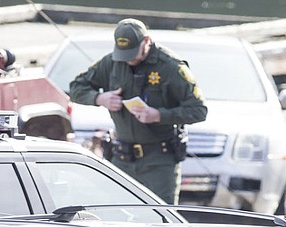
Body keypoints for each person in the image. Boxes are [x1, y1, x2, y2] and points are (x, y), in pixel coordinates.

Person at [68, 18, 208, 204]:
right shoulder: (112, 62)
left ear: (146, 41)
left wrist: (159, 115)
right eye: (124, 54)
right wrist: (100, 98)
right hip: (121, 157)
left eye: (133, 53)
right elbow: (76, 88)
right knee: (117, 218)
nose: (129, 60)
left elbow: (199, 110)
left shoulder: (171, 67)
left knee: (161, 219)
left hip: (158, 161)